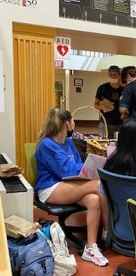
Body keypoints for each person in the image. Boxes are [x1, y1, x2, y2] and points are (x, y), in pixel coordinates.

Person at [34, 108, 108, 267]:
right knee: (99, 185)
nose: (75, 124)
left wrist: (87, 168)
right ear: (66, 124)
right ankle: (109, 231)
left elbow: (77, 165)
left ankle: (91, 247)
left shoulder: (68, 142)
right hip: (50, 187)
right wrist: (85, 170)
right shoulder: (46, 145)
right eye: (73, 121)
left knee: (94, 200)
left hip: (67, 183)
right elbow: (64, 170)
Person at [94, 65, 123, 138]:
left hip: (119, 124)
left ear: (119, 75)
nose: (113, 76)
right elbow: (95, 105)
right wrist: (103, 107)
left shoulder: (124, 90)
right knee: (104, 145)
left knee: (118, 145)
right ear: (108, 75)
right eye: (111, 74)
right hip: (104, 123)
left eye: (115, 74)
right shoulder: (102, 88)